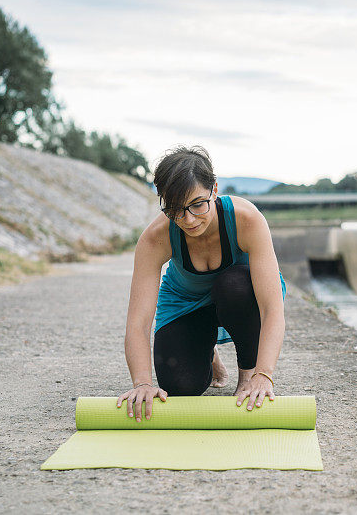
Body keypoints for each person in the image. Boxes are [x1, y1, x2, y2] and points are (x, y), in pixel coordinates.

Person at [116, 145, 287, 422]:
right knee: (180, 386)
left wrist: (262, 374)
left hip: (240, 296)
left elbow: (271, 309)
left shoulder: (247, 219)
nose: (188, 219)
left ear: (215, 189)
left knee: (234, 285)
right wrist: (142, 383)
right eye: (175, 210)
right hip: (187, 304)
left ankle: (245, 373)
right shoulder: (155, 238)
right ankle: (208, 352)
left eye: (198, 204)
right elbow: (137, 323)